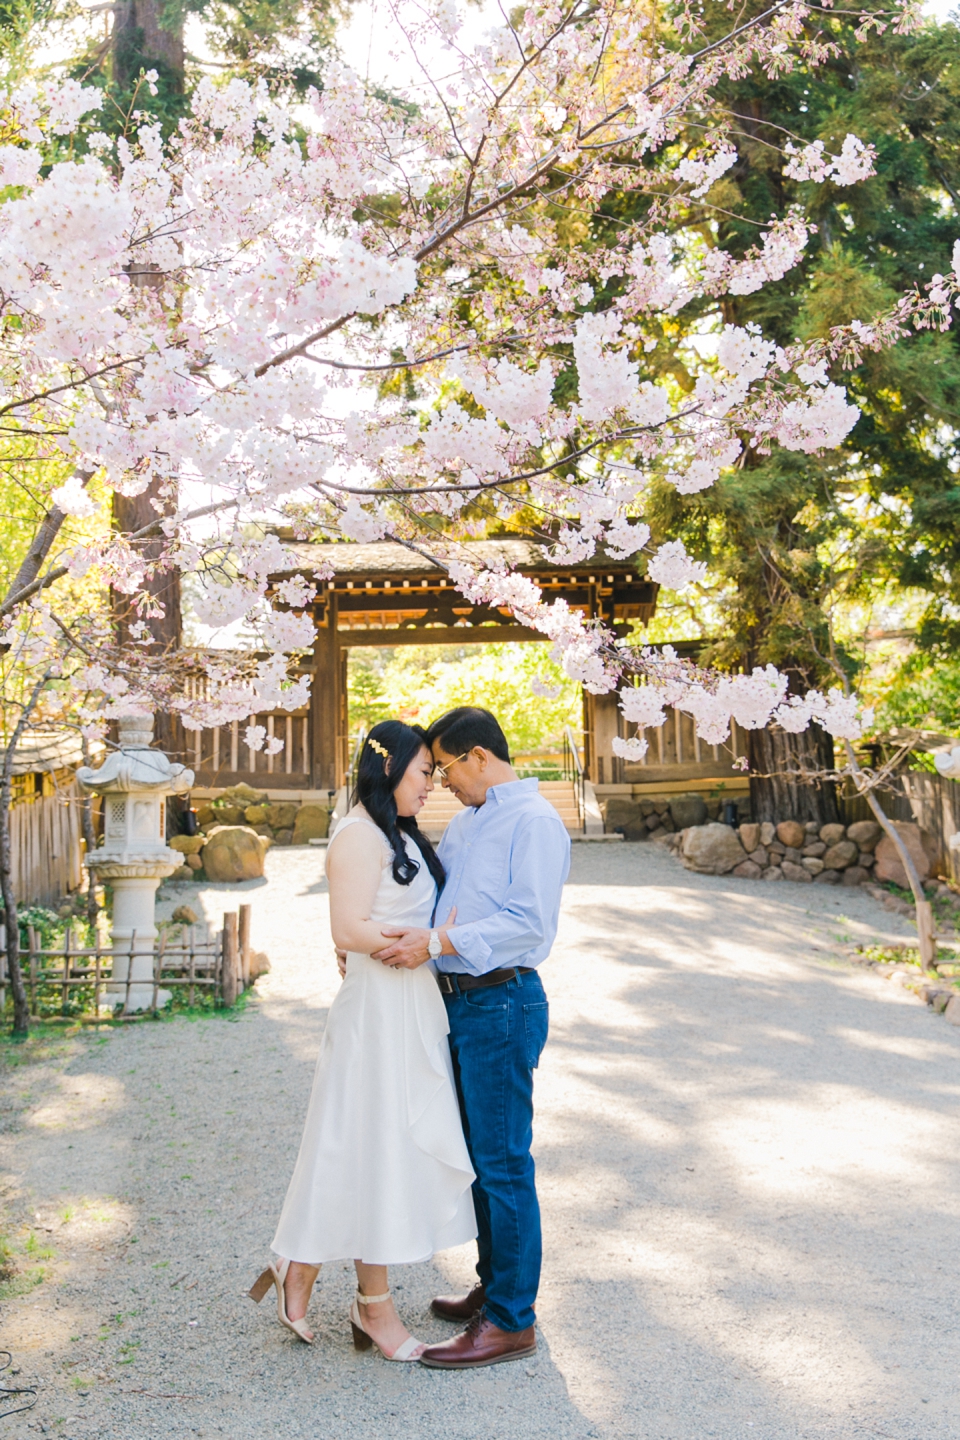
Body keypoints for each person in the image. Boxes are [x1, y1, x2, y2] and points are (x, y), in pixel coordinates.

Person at [248, 720, 476, 1361]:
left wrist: (427, 941)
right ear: (391, 768)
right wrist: (415, 944)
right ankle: (367, 1302)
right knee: (372, 1143)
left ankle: (303, 1264)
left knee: (377, 1143)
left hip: (409, 1000)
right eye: (424, 771)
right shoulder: (356, 834)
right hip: (377, 1008)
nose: (432, 783)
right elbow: (347, 927)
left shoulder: (394, 833)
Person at [374, 706, 571, 1368]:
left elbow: (528, 926)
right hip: (458, 1004)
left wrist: (438, 941)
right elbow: (437, 899)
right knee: (478, 1162)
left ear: (479, 757)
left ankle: (513, 1319)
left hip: (502, 1001)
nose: (443, 782)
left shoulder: (534, 822)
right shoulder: (468, 822)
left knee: (504, 1162)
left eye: (447, 767)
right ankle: (495, 1287)